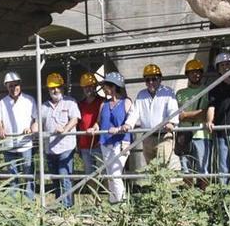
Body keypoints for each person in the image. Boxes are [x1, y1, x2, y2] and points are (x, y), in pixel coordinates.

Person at [122, 64, 181, 170]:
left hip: (164, 137)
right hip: (147, 138)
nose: (151, 82)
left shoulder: (168, 92)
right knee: (152, 170)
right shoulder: (141, 95)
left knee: (163, 169)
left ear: (160, 79)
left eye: (154, 79)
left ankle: (165, 187)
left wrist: (171, 123)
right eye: (147, 79)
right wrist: (128, 124)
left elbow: (173, 109)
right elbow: (134, 112)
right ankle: (155, 187)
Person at [0, 71, 38, 199]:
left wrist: (31, 128)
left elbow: (36, 119)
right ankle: (13, 199)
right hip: (9, 144)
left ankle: (30, 198)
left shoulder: (29, 100)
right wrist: (0, 129)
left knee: (28, 172)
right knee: (12, 174)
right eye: (10, 86)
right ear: (6, 87)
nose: (13, 88)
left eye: (15, 85)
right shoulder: (2, 103)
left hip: (25, 144)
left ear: (20, 85)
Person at [90, 72, 132, 203]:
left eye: (106, 86)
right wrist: (94, 128)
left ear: (114, 87)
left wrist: (120, 129)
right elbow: (99, 121)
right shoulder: (104, 104)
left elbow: (130, 121)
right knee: (110, 175)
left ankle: (121, 203)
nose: (103, 88)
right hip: (105, 142)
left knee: (115, 174)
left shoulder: (126, 102)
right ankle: (114, 201)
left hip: (120, 142)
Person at [40, 73, 81, 208]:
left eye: (57, 87)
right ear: (48, 89)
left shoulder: (70, 102)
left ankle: (67, 209)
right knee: (55, 180)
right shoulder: (44, 106)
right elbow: (38, 123)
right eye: (52, 88)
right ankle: (59, 206)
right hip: (50, 148)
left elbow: (74, 119)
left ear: (62, 88)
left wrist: (65, 129)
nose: (55, 90)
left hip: (66, 147)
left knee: (65, 178)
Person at [176, 59, 211, 179]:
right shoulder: (180, 93)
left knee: (203, 170)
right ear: (187, 74)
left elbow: (206, 114)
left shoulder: (207, 91)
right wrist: (196, 114)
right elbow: (178, 116)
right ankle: (187, 197)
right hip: (183, 135)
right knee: (186, 171)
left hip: (202, 135)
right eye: (192, 72)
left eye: (198, 72)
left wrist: (186, 115)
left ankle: (204, 196)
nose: (195, 74)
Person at [76, 72, 103, 177]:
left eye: (90, 86)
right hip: (85, 145)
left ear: (95, 86)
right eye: (85, 87)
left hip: (99, 144)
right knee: (89, 173)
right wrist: (78, 144)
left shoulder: (102, 102)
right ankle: (93, 193)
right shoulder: (80, 105)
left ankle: (106, 193)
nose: (88, 89)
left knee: (104, 173)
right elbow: (78, 125)